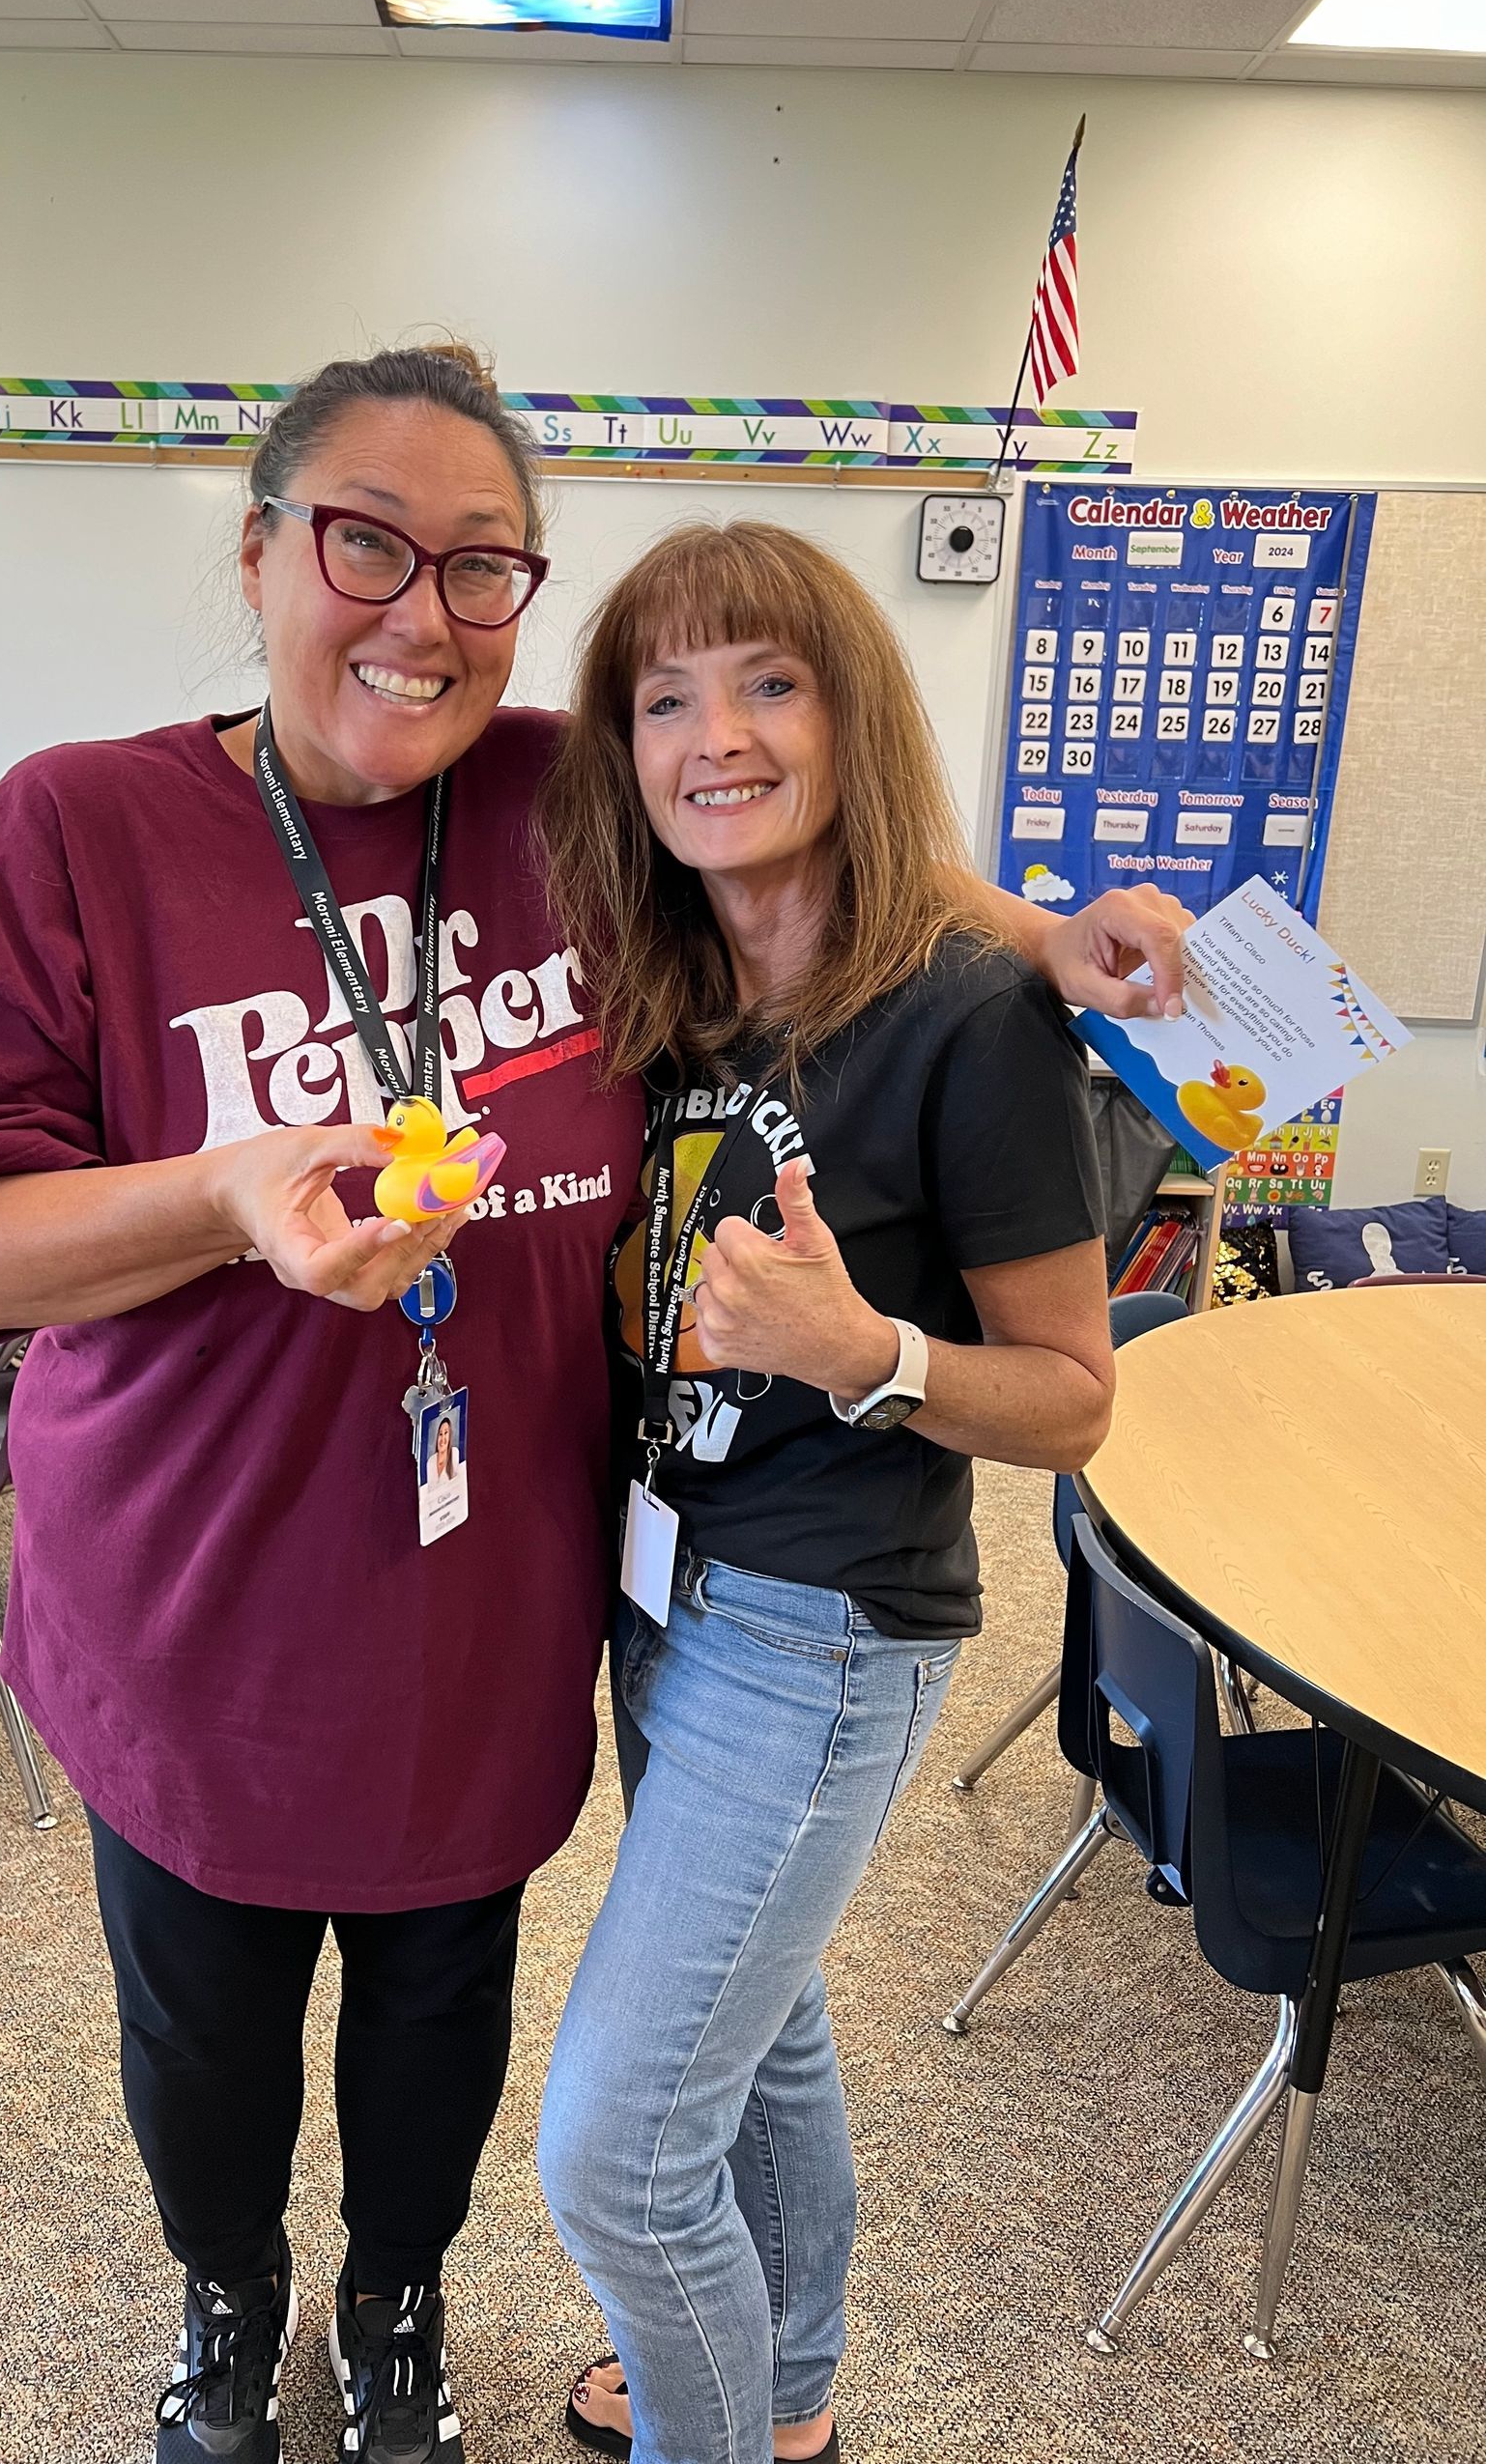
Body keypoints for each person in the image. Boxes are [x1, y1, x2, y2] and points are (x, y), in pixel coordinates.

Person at [0, 341, 1183, 2464]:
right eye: (366, 543)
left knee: (439, 2013)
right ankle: (230, 2295)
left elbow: (807, 839)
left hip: (496, 1591)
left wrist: (1048, 932)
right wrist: (222, 1197)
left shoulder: (565, 801)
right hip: (192, 1594)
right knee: (203, 2024)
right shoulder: (79, 824)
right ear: (263, 550)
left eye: (483, 566)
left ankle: (397, 2300)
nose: (424, 610)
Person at [533, 522, 1115, 2464]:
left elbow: (1073, 1404)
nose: (717, 736)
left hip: (820, 1624)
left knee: (619, 2151)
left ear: (848, 708)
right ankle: (782, 2392)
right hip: (665, 1585)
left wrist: (868, 1349)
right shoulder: (685, 965)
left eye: (770, 681)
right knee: (750, 2032)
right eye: (667, 695)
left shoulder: (971, 1018)